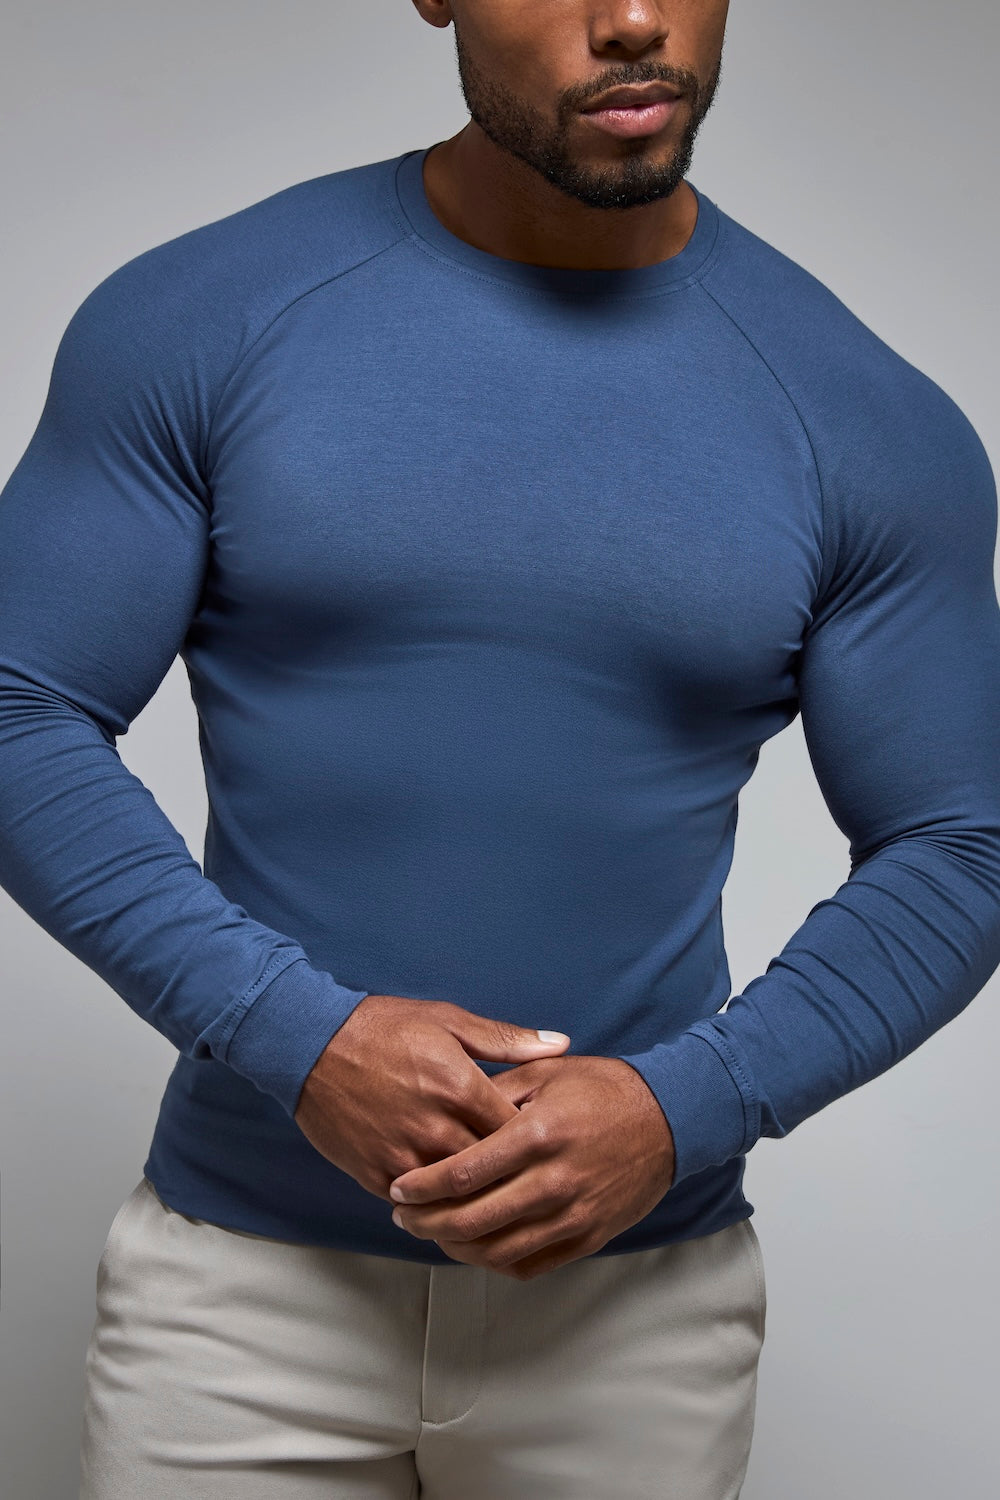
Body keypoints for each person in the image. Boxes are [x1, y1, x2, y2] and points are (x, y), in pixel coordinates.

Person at [0, 1, 998, 1495]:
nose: (634, 18)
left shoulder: (866, 419)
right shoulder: (207, 317)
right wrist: (296, 1035)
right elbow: (19, 705)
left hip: (635, 1315)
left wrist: (686, 1106)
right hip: (239, 1297)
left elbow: (960, 842)